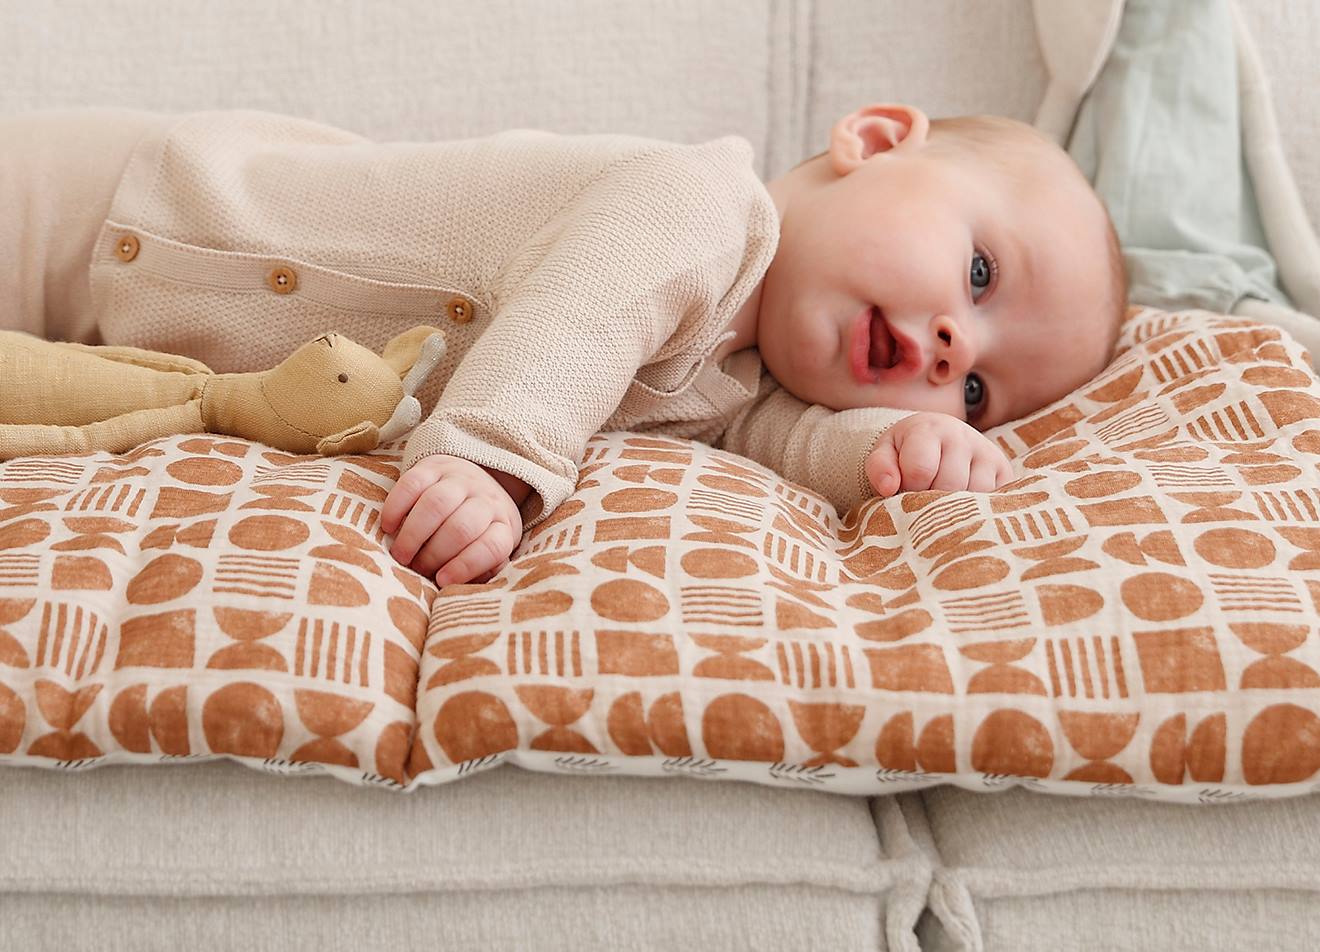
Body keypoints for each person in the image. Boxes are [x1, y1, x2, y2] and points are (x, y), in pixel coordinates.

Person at [0, 101, 1126, 588]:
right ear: (876, 140)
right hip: (105, 203)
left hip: (105, 335)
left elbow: (791, 440)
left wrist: (897, 452)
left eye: (977, 387)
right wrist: (490, 458)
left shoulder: (736, 383)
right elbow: (578, 320)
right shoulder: (695, 203)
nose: (947, 345)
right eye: (978, 274)